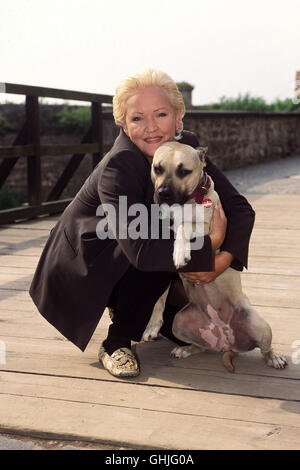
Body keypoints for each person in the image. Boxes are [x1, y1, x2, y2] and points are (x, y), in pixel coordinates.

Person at [29, 68, 255, 378]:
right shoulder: (118, 166)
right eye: (137, 118)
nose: (151, 128)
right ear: (122, 123)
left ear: (178, 117)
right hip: (88, 266)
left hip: (145, 248)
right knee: (159, 235)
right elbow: (142, 252)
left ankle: (145, 310)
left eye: (161, 114)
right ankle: (116, 341)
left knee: (190, 329)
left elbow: (240, 209)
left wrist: (222, 260)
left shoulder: (185, 148)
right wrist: (212, 243)